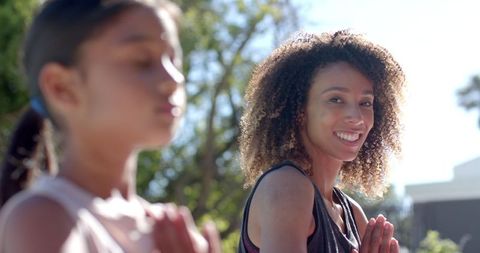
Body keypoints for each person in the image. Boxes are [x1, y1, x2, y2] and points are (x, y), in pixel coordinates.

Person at [0, 0, 221, 252]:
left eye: (173, 59)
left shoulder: (164, 228)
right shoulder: (41, 217)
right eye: (141, 61)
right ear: (62, 87)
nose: (173, 79)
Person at [237, 30, 405, 253]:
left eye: (365, 103)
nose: (356, 117)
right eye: (336, 99)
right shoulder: (287, 186)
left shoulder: (353, 214)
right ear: (299, 110)